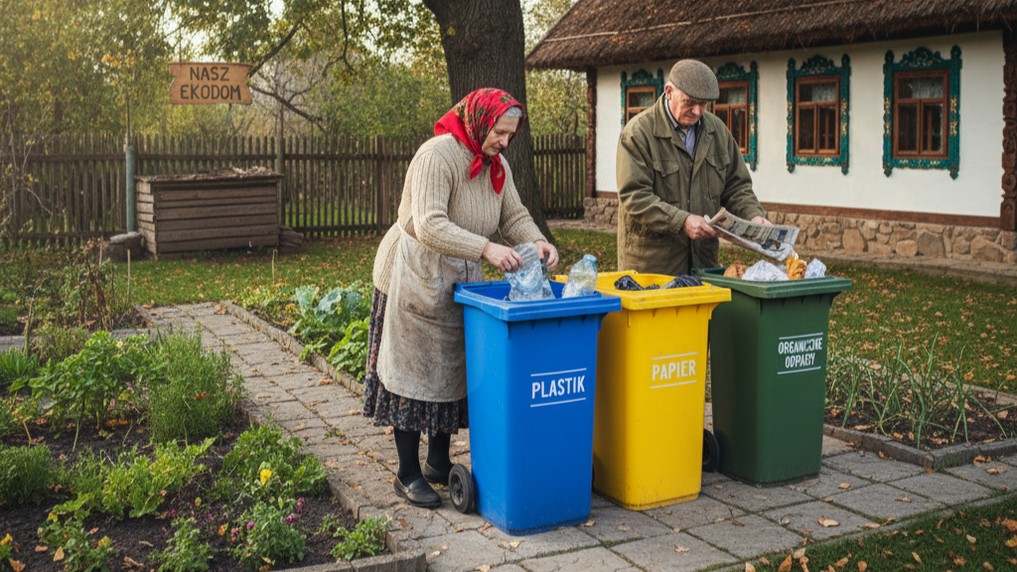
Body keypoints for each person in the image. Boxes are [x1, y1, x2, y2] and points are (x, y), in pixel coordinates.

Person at [363, 88, 559, 508]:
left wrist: (538, 242)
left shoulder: (496, 165)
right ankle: (407, 472)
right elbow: (428, 224)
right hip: (415, 274)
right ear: (477, 120)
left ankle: (438, 462)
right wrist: (486, 249)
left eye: (510, 135)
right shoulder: (436, 156)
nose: (505, 142)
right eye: (499, 132)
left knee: (452, 368)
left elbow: (514, 216)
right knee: (413, 374)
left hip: (461, 275)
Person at [616, 59, 771, 276]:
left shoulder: (718, 131)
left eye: (704, 104)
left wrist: (753, 216)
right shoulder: (638, 134)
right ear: (669, 91)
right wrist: (682, 221)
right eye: (689, 102)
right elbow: (635, 196)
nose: (697, 111)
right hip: (653, 268)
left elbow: (737, 187)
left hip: (702, 265)